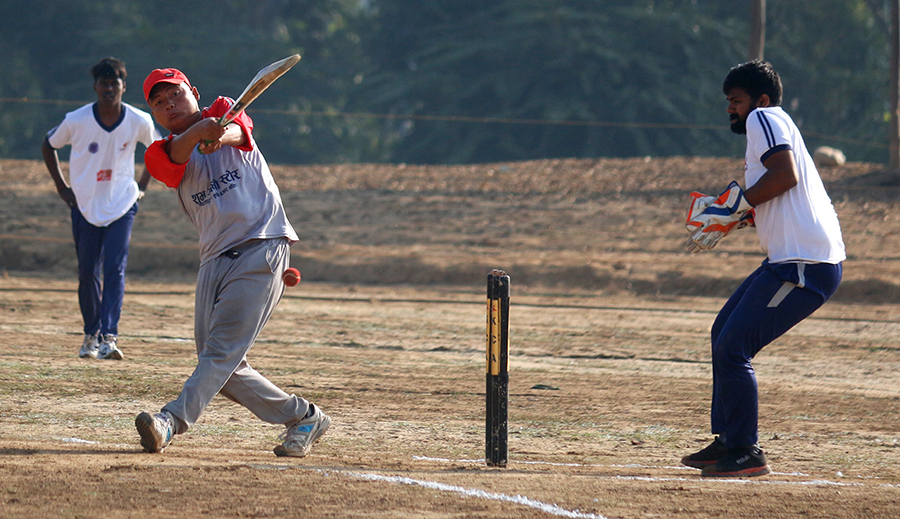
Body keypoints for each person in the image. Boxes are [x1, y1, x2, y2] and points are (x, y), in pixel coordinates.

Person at [134, 67, 330, 457]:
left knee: (220, 353)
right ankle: (304, 416)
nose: (168, 104)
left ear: (193, 91)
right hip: (213, 259)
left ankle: (169, 422)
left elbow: (241, 132)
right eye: (158, 102)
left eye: (174, 94)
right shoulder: (159, 152)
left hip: (261, 244)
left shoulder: (224, 110)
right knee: (222, 368)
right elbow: (171, 162)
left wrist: (217, 132)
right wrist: (197, 135)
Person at [681, 60, 845, 477]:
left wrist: (740, 206)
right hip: (787, 259)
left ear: (761, 98)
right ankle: (728, 441)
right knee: (723, 333)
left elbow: (785, 175)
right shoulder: (769, 124)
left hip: (805, 263)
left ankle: (747, 451)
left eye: (735, 100)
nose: (730, 109)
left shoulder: (764, 117)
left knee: (734, 346)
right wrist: (738, 215)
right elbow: (777, 190)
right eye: (730, 102)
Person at [41, 57, 161, 361]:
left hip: (122, 203)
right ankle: (90, 335)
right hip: (83, 203)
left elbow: (157, 151)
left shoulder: (139, 120)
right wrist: (62, 188)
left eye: (115, 83)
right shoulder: (76, 120)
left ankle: (110, 336)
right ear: (96, 87)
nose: (109, 88)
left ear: (123, 86)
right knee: (87, 272)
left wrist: (141, 188)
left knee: (115, 269)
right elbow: (48, 144)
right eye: (104, 83)